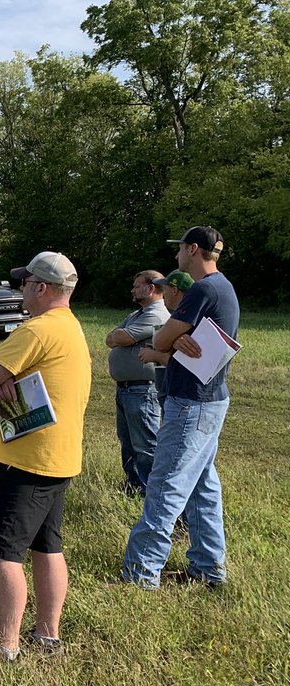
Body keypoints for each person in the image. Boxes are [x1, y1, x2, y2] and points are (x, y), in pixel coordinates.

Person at [0, 252, 90, 661]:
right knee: (47, 545)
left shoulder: (36, 330)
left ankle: (6, 646)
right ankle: (47, 635)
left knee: (3, 550)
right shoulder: (71, 327)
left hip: (26, 459)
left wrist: (3, 375)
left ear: (41, 288)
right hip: (61, 456)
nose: (20, 288)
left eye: (25, 282)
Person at [122, 226, 239, 590]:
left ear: (193, 249)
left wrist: (173, 338)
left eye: (179, 251)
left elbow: (159, 337)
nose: (176, 257)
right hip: (211, 399)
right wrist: (178, 339)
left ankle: (141, 575)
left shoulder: (203, 288)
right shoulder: (225, 287)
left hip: (191, 403)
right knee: (203, 486)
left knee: (165, 485)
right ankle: (207, 567)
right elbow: (176, 340)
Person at [106, 271, 170, 496]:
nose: (132, 290)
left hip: (142, 390)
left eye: (136, 286)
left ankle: (152, 492)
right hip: (127, 389)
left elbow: (120, 338)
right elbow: (110, 338)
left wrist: (120, 337)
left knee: (145, 445)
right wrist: (119, 336)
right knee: (128, 442)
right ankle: (134, 485)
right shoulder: (137, 314)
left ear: (151, 288)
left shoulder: (157, 314)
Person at [137, 271, 194, 399]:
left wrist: (154, 355)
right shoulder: (177, 317)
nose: (163, 293)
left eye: (165, 288)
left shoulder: (184, 322)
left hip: (178, 397)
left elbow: (185, 365)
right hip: (168, 393)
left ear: (174, 290)